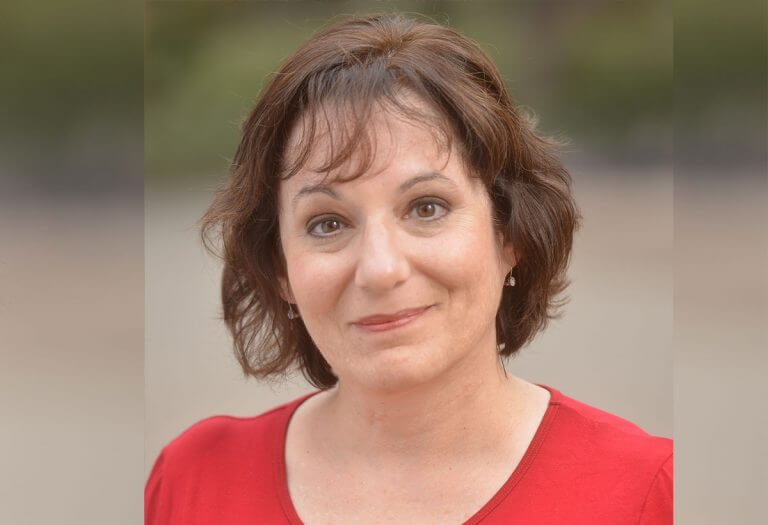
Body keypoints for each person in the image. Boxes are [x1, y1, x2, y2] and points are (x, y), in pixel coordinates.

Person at [145, 13, 672, 524]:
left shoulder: (648, 492)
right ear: (279, 267)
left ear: (510, 233)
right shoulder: (191, 482)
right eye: (328, 223)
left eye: (427, 208)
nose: (380, 269)